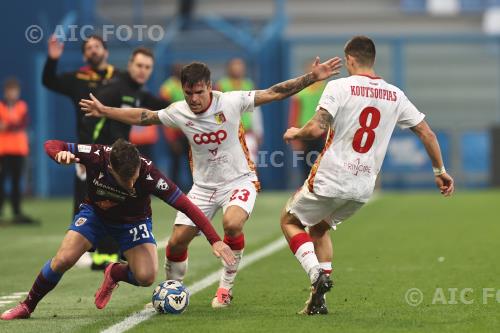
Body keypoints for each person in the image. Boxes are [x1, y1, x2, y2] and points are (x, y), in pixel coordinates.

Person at [80, 57, 343, 308]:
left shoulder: (231, 101)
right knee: (176, 243)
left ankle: (225, 288)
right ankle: (172, 290)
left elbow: (275, 92)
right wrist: (105, 111)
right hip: (203, 188)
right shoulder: (179, 111)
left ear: (209, 87)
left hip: (239, 181)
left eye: (198, 92)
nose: (193, 99)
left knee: (232, 223)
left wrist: (312, 77)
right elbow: (144, 116)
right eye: (188, 93)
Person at [281, 36, 455, 315]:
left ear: (350, 59)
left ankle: (316, 273)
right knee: (320, 228)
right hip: (363, 187)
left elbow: (315, 129)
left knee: (289, 220)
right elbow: (427, 132)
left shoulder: (338, 86)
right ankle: (318, 301)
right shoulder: (395, 94)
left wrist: (294, 132)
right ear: (372, 59)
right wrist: (440, 172)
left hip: (331, 176)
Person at [0, 139, 235, 320]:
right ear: (110, 168)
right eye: (126, 180)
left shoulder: (150, 174)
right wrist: (58, 155)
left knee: (146, 277)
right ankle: (27, 306)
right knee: (63, 259)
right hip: (95, 216)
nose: (132, 185)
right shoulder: (95, 156)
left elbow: (186, 205)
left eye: (134, 178)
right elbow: (51, 144)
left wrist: (214, 239)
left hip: (134, 222)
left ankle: (114, 272)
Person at [42, 34, 121, 269]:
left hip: (116, 151)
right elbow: (49, 81)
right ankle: (85, 249)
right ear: (85, 54)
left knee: (117, 201)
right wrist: (52, 60)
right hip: (85, 153)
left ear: (106, 51)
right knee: (84, 200)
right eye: (88, 48)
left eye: (97, 46)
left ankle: (117, 249)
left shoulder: (120, 78)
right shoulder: (78, 79)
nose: (93, 50)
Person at [94, 47, 168, 160]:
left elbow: (159, 104)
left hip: (120, 153)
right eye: (139, 65)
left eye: (147, 67)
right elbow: (90, 117)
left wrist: (187, 106)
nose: (143, 70)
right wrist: (86, 150)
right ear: (130, 65)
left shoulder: (139, 90)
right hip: (101, 153)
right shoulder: (115, 86)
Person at [0, 78, 36, 224]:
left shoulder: (22, 106)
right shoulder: (1, 106)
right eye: (10, 91)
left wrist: (7, 124)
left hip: (19, 150)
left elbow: (22, 123)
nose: (12, 94)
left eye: (14, 91)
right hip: (3, 150)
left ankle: (16, 211)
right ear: (5, 92)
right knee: (1, 181)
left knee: (16, 182)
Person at [216, 58, 264, 162]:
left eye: (240, 66)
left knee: (251, 163)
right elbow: (216, 109)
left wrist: (258, 130)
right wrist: (219, 129)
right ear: (229, 68)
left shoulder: (249, 84)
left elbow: (255, 109)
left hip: (247, 132)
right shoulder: (221, 84)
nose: (237, 68)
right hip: (228, 133)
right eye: (235, 65)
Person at [288, 63, 327, 180]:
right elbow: (294, 115)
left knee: (323, 166)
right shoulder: (301, 92)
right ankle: (306, 190)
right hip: (304, 133)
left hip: (322, 133)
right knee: (305, 167)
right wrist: (295, 138)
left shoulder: (326, 90)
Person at [158, 63, 191, 190]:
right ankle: (172, 191)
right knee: (175, 164)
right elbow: (164, 113)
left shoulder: (189, 85)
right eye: (177, 69)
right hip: (175, 132)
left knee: (193, 163)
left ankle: (195, 189)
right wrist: (171, 138)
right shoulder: (167, 88)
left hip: (189, 131)